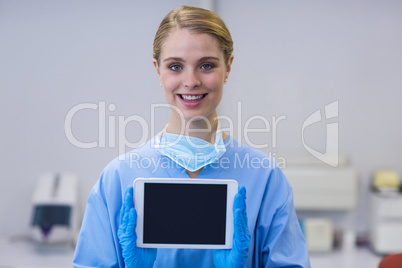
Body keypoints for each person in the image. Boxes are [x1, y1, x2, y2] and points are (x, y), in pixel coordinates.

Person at [73, 5, 310, 268]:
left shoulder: (265, 179)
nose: (191, 81)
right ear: (157, 70)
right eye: (175, 66)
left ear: (228, 67)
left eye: (206, 65)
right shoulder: (117, 179)